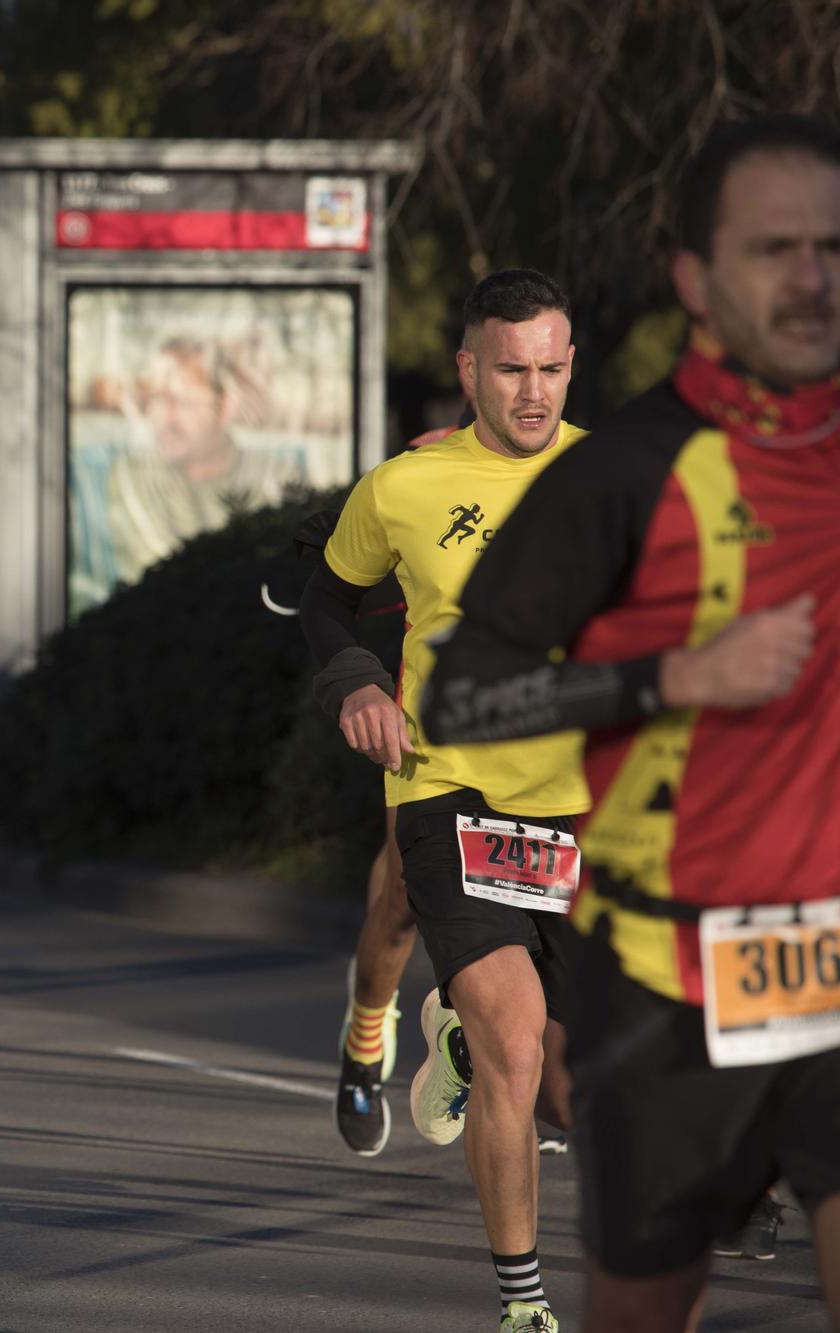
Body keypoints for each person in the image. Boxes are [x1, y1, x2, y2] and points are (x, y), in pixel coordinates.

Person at [423, 115, 840, 1333]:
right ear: (695, 279)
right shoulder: (625, 474)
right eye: (772, 249)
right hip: (665, 985)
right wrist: (667, 678)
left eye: (829, 246)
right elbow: (462, 698)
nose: (809, 277)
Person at [302, 269, 587, 1332]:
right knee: (514, 1046)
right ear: (467, 368)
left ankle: (449, 1033)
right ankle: (522, 1304)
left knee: (565, 1088)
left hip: (583, 808)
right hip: (445, 787)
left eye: (550, 368)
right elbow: (327, 600)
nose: (531, 392)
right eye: (508, 369)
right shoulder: (402, 487)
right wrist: (358, 683)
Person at [104, 338, 305, 587]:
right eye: (156, 399)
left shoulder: (277, 478)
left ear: (226, 407)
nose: (164, 418)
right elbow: (155, 583)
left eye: (180, 401)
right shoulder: (133, 478)